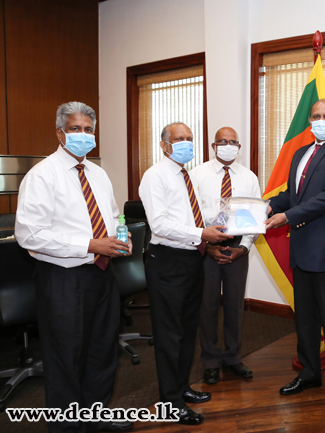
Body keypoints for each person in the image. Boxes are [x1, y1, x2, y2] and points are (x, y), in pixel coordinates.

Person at [15, 101, 132, 433]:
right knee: (65, 358)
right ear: (59, 132)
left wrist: (120, 237)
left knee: (102, 351)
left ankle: (95, 418)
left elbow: (111, 216)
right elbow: (30, 235)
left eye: (89, 130)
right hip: (63, 279)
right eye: (76, 128)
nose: (83, 135)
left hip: (103, 274)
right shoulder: (42, 175)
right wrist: (90, 244)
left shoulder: (98, 173)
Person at [265, 99, 325, 414]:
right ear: (309, 120)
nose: (321, 120)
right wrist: (269, 205)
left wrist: (287, 216)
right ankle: (309, 373)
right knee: (305, 320)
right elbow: (293, 195)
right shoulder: (299, 153)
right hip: (301, 250)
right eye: (316, 116)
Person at [139, 122, 232, 425]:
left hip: (192, 258)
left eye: (190, 139)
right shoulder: (155, 176)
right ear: (164, 145)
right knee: (169, 334)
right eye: (179, 139)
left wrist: (219, 223)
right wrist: (202, 232)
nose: (185, 144)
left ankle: (181, 388)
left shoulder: (185, 176)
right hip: (168, 262)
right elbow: (160, 224)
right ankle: (170, 400)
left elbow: (191, 215)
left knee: (187, 329)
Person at [190, 127, 261, 384]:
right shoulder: (196, 174)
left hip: (237, 248)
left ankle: (233, 357)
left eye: (233, 142)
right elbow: (191, 215)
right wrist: (206, 245)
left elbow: (255, 216)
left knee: (234, 306)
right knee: (207, 307)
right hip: (206, 249)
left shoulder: (249, 177)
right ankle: (210, 360)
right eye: (223, 141)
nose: (228, 145)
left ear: (239, 147)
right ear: (213, 145)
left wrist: (243, 248)